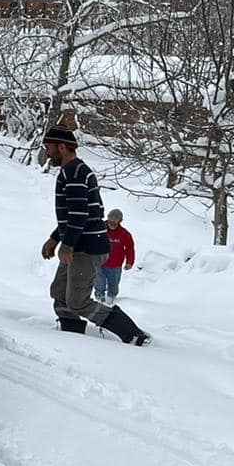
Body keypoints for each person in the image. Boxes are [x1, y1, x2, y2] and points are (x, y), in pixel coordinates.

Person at [40, 126, 151, 345]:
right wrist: (56, 238)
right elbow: (80, 214)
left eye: (49, 147)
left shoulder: (75, 173)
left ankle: (133, 334)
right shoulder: (71, 171)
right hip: (81, 243)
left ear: (62, 147)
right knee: (59, 291)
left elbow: (79, 215)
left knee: (78, 301)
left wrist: (66, 245)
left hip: (87, 247)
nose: (46, 152)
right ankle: (71, 334)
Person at [95, 209, 136, 303]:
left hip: (115, 265)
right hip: (99, 263)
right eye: (111, 217)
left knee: (113, 284)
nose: (112, 220)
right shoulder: (100, 228)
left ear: (119, 220)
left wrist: (130, 261)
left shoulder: (124, 234)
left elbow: (130, 248)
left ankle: (111, 298)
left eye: (116, 218)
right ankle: (99, 298)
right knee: (99, 283)